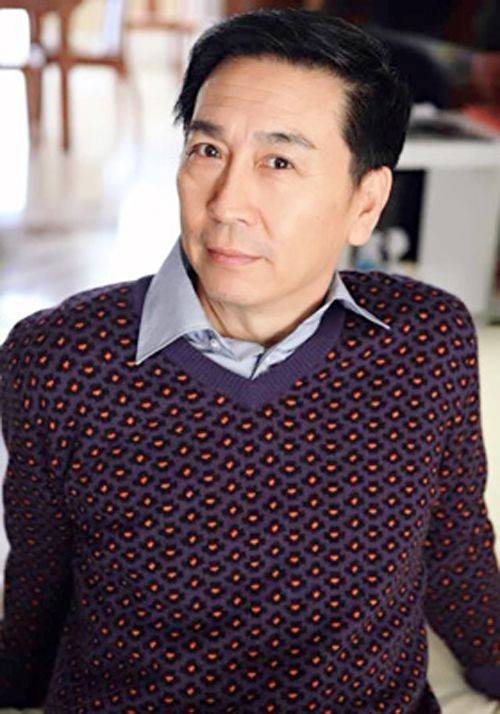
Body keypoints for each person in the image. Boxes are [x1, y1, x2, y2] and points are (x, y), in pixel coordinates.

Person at [0, 8, 498, 713]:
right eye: (207, 150)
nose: (227, 203)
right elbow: (39, 582)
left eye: (279, 162)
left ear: (366, 203)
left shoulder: (425, 341)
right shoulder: (60, 358)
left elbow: (453, 547)